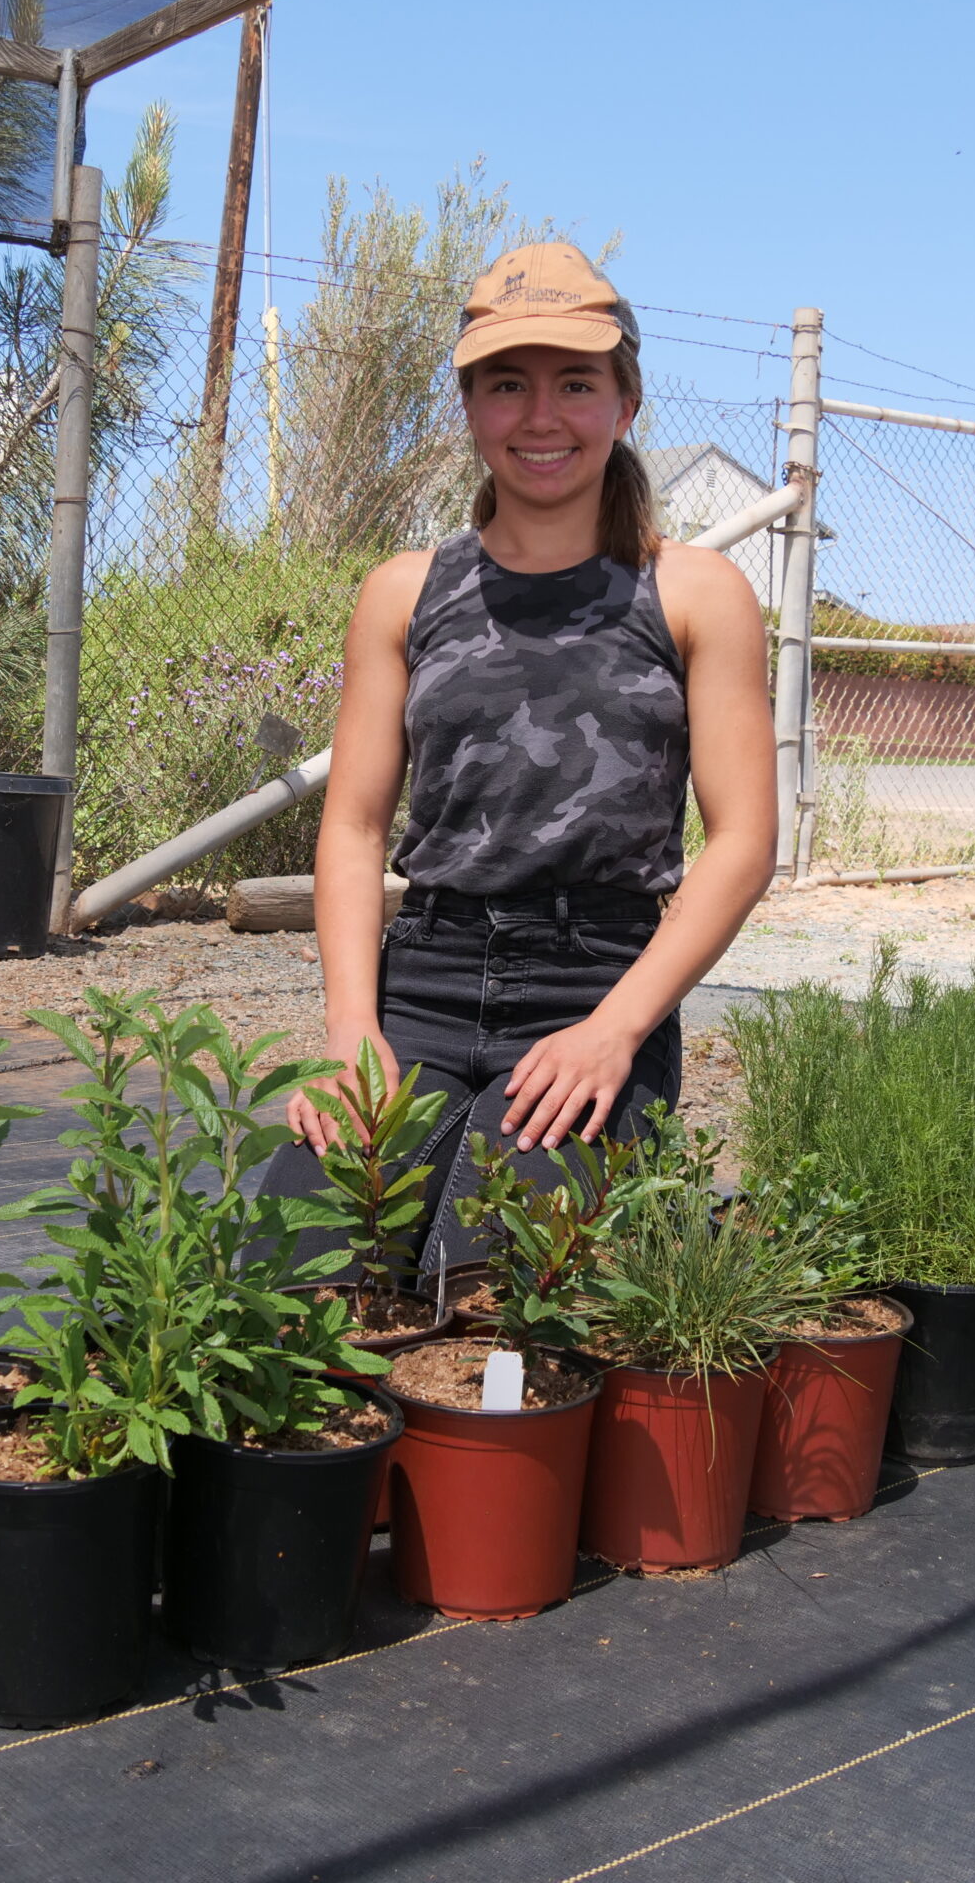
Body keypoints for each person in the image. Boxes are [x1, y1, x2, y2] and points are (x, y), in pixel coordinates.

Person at [266, 242, 778, 1276]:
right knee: (295, 1276)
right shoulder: (404, 591)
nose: (540, 418)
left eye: (575, 384)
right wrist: (350, 1029)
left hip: (594, 984)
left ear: (625, 403)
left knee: (489, 1299)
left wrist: (617, 1030)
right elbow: (356, 825)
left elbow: (744, 842)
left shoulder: (691, 592)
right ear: (468, 408)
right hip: (424, 982)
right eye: (507, 385)